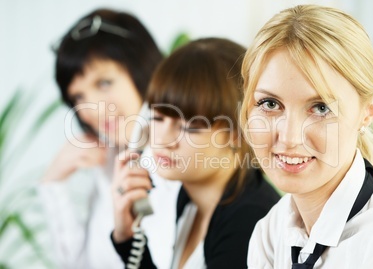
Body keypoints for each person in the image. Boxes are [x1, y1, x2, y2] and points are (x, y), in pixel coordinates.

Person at [239, 4, 373, 269]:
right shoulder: (270, 232)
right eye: (270, 104)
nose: (290, 137)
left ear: (369, 109)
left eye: (321, 108)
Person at [110, 37, 281, 269]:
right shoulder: (190, 197)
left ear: (238, 131)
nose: (162, 139)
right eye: (158, 117)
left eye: (188, 127)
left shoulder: (249, 222)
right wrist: (127, 236)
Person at [39, 9, 180, 269]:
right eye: (78, 97)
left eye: (104, 83)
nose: (91, 109)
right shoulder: (113, 158)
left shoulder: (181, 151)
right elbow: (83, 264)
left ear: (142, 70)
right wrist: (53, 183)